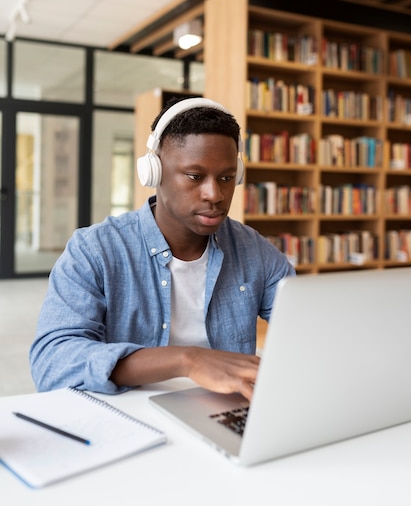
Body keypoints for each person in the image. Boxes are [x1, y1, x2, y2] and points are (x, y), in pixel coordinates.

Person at [30, 97, 295, 401]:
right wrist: (187, 360)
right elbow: (52, 362)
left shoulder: (255, 251)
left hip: (224, 412)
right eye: (195, 177)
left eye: (226, 178)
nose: (215, 194)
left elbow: (310, 328)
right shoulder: (94, 250)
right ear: (153, 171)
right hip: (130, 419)